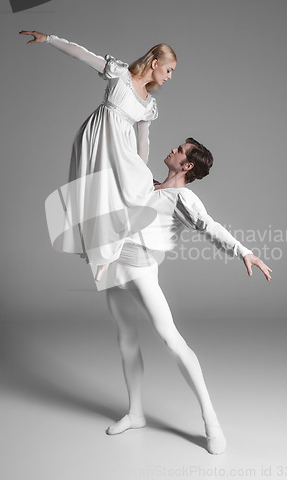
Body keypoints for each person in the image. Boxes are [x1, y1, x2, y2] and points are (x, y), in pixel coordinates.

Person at [102, 137, 272, 454]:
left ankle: (211, 422)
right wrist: (143, 122)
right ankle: (135, 413)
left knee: (172, 340)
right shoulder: (149, 185)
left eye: (180, 150)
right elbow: (137, 155)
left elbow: (210, 226)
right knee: (126, 339)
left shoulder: (182, 198)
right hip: (115, 270)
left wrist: (243, 252)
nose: (173, 149)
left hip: (141, 273)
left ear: (187, 165)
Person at [19, 30, 177, 278]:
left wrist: (141, 172)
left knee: (129, 190)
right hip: (98, 136)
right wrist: (49, 39)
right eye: (169, 70)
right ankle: (102, 252)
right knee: (100, 192)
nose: (170, 77)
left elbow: (143, 141)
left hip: (121, 146)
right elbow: (82, 54)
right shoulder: (121, 75)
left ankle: (111, 249)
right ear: (155, 63)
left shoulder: (148, 104)